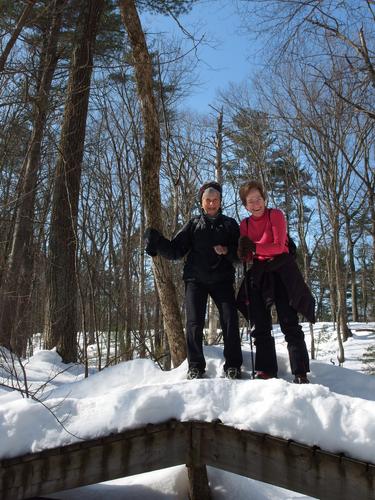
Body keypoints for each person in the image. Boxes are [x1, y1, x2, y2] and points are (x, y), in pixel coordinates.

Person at [144, 181, 243, 380]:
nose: (212, 203)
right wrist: (156, 240)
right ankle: (195, 366)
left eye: (215, 200)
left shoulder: (230, 224)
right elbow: (175, 250)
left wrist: (227, 251)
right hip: (195, 280)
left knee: (230, 320)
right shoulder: (193, 224)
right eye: (208, 200)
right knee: (194, 323)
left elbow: (240, 255)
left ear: (221, 202)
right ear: (202, 202)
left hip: (223, 280)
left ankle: (233, 366)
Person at [237, 180, 315, 384]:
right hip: (260, 272)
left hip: (281, 270)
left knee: (289, 321)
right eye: (250, 201)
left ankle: (300, 371)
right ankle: (266, 369)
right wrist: (243, 252)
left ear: (264, 198)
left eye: (258, 199)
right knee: (260, 323)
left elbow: (279, 246)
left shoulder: (276, 215)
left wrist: (253, 247)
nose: (256, 204)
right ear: (245, 205)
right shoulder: (244, 224)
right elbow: (248, 255)